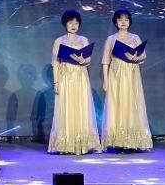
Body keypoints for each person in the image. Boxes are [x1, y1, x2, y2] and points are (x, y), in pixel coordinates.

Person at [47, 9, 102, 154]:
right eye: (70, 22)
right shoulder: (59, 41)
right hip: (65, 77)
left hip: (80, 77)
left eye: (76, 23)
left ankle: (83, 143)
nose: (73, 25)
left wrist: (82, 60)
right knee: (66, 107)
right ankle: (66, 144)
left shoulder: (83, 40)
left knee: (81, 106)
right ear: (65, 24)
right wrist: (56, 83)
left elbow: (88, 60)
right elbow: (55, 63)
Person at [100, 8, 152, 153]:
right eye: (120, 20)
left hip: (131, 75)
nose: (123, 22)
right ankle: (118, 142)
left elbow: (143, 55)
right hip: (116, 75)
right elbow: (105, 61)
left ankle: (132, 141)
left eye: (126, 20)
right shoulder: (111, 39)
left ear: (129, 22)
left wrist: (137, 57)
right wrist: (105, 81)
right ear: (116, 22)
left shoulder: (135, 37)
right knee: (117, 105)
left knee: (132, 104)